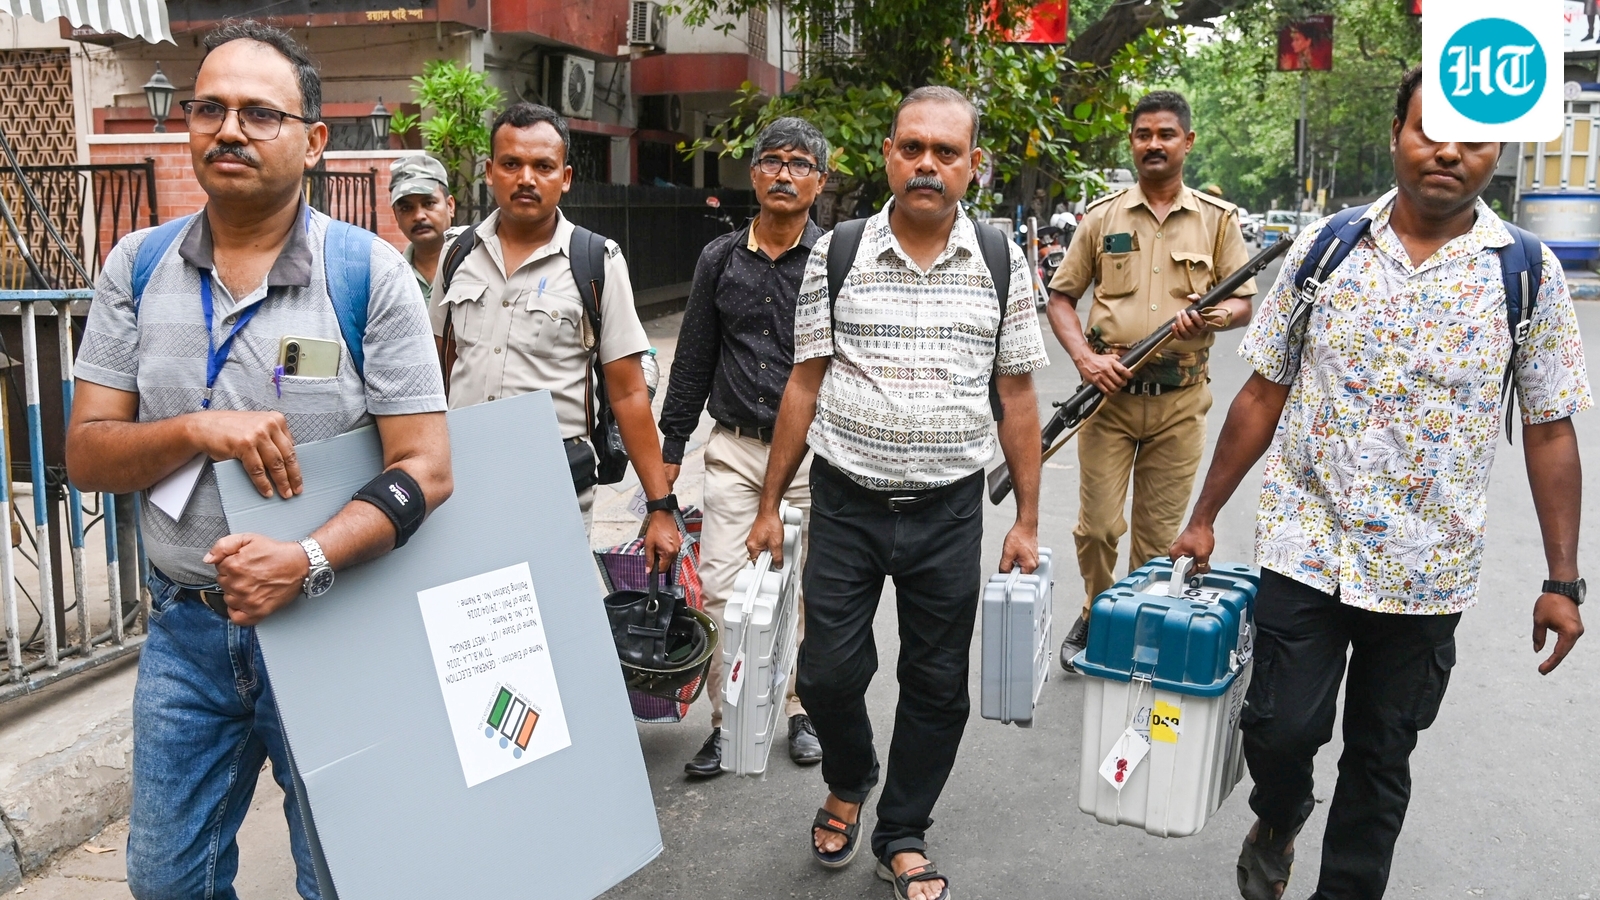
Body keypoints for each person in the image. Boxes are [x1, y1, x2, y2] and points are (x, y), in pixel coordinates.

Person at [1169, 68, 1590, 900]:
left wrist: (1562, 581)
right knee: (1280, 733)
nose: (1447, 152)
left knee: (1381, 753)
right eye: (1429, 130)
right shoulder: (1325, 248)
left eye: (1472, 139)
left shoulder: (1529, 274)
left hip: (1427, 571)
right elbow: (1262, 392)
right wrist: (1204, 515)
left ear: (1496, 152)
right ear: (1396, 131)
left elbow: (1549, 428)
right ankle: (1280, 814)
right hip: (1306, 547)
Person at [64, 22, 452, 900]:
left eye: (259, 113)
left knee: (341, 877)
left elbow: (426, 467)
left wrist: (303, 560)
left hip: (330, 623)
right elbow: (87, 453)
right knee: (167, 882)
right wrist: (198, 430)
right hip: (186, 632)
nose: (228, 128)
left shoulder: (368, 276)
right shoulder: (136, 265)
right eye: (210, 108)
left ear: (314, 142)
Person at [746, 85, 1049, 900]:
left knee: (936, 682)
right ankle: (850, 776)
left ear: (972, 166)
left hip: (949, 510)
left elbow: (1017, 395)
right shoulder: (838, 251)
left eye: (946, 152)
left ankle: (903, 829)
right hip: (845, 500)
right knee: (831, 672)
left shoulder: (999, 259)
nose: (927, 164)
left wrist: (1025, 519)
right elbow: (804, 384)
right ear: (888, 154)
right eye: (912, 147)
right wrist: (771, 504)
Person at [1045, 90, 1256, 670]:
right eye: (1144, 135)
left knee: (1156, 537)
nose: (1154, 144)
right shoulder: (1101, 217)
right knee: (1096, 529)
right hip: (1107, 397)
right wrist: (1086, 363)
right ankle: (1095, 605)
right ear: (1132, 142)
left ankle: (1130, 628)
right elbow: (1061, 297)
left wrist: (1214, 314)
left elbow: (1243, 303)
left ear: (1187, 142)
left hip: (1180, 401)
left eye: (1166, 134)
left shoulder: (1218, 221)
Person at [430, 102, 679, 568]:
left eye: (542, 166)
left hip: (554, 479)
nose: (526, 178)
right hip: (462, 477)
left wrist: (660, 506)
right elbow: (437, 364)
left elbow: (627, 393)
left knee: (548, 619)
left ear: (564, 177)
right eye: (511, 164)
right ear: (489, 172)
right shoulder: (457, 254)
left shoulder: (595, 262)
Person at [658, 117, 828, 777]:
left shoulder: (836, 260)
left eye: (799, 163)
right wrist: (668, 459)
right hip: (734, 450)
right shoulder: (719, 258)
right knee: (724, 591)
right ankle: (730, 722)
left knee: (810, 591)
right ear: (754, 173)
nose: (784, 173)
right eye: (772, 161)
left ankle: (798, 708)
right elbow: (694, 361)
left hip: (817, 456)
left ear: (819, 178)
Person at [389, 154, 455, 303]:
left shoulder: (476, 263)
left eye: (429, 203)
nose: (418, 216)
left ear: (450, 206)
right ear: (396, 216)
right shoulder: (390, 277)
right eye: (406, 208)